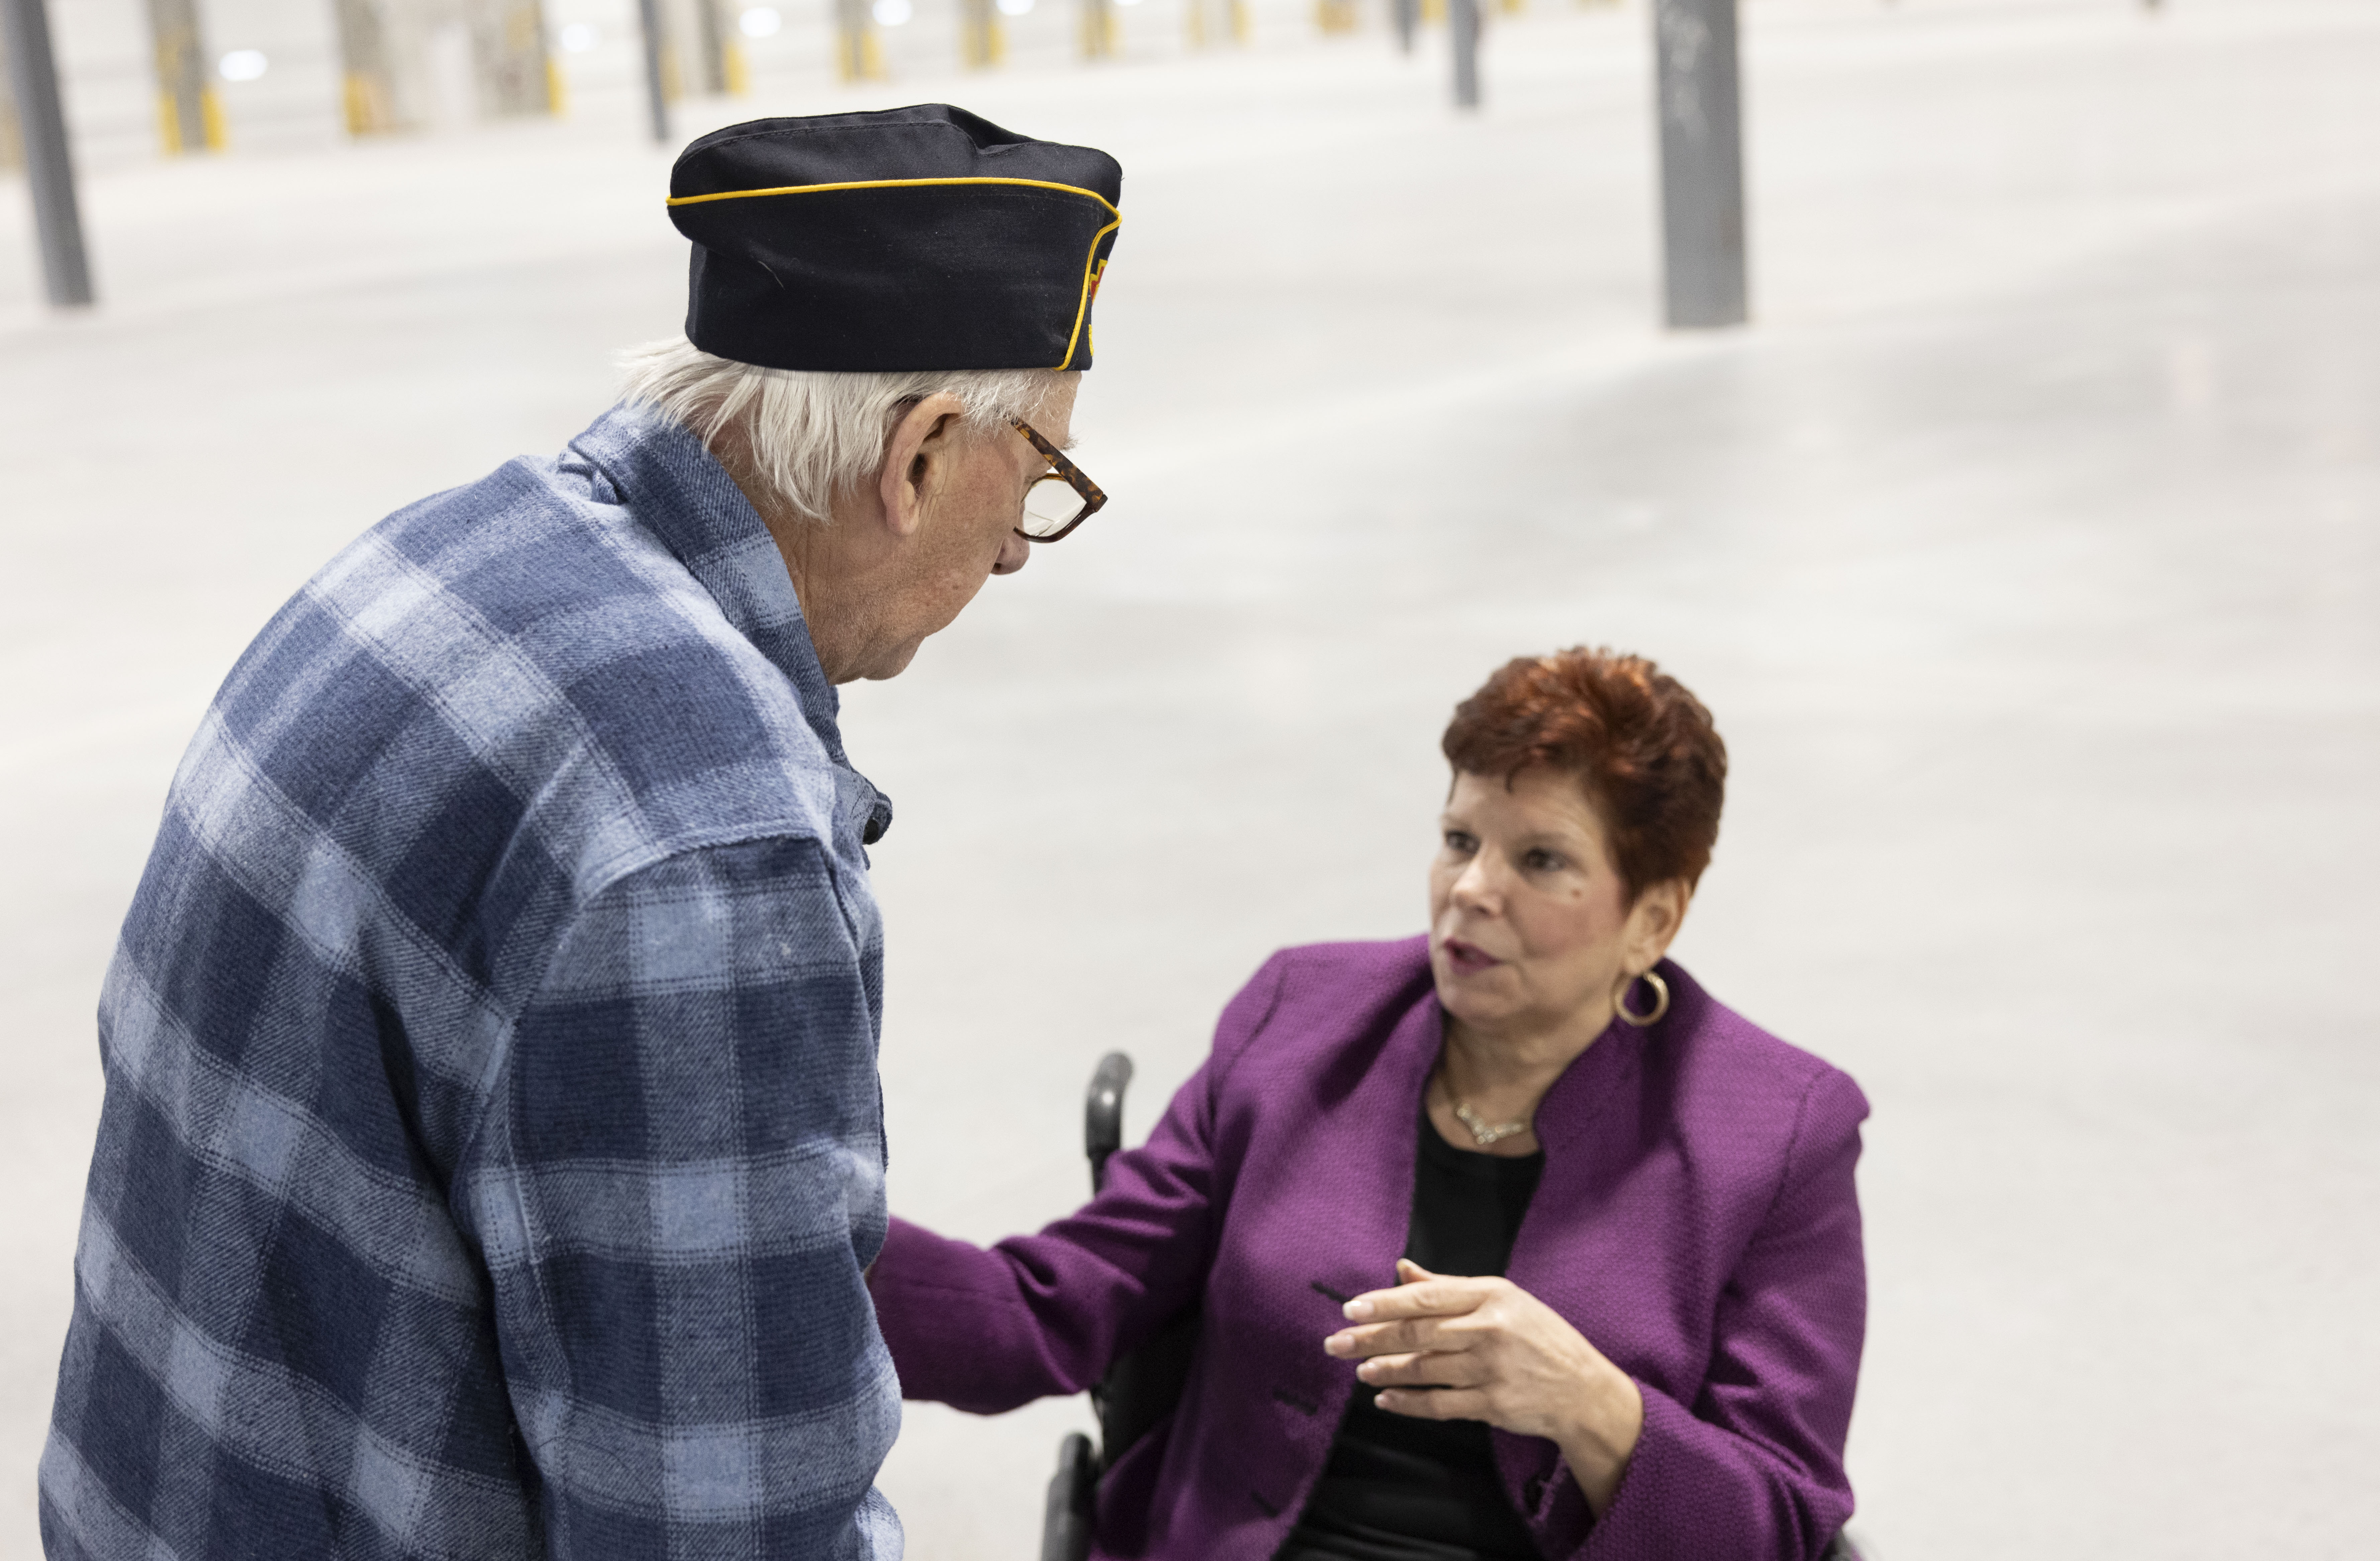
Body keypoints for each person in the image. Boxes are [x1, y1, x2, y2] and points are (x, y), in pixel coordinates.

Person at [39, 104, 1122, 1561]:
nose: (1011, 552)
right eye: (1038, 480)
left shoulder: (434, 557)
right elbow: (728, 1520)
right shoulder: (702, 843)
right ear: (920, 452)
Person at [870, 648, 1870, 1561]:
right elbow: (1054, 1307)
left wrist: (1591, 1403)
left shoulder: (1777, 1134)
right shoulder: (1300, 1020)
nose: (1471, 888)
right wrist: (814, 1247)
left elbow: (1780, 1524)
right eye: (1459, 839)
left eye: (1540, 860)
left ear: (1654, 917)